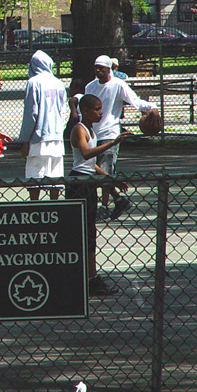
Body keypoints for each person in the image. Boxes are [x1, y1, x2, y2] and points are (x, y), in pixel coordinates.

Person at [79, 55, 159, 220]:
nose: (98, 70)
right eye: (96, 67)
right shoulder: (90, 87)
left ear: (109, 69)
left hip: (110, 134)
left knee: (105, 170)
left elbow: (135, 101)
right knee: (94, 169)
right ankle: (119, 199)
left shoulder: (118, 85)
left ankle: (104, 207)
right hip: (93, 134)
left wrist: (153, 107)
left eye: (101, 67)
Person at [68, 94, 131, 297]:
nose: (100, 112)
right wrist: (113, 143)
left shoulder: (91, 130)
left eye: (101, 109)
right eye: (96, 109)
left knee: (90, 233)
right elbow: (86, 154)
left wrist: (111, 180)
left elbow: (91, 164)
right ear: (85, 110)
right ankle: (85, 279)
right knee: (82, 232)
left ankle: (90, 278)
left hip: (88, 183)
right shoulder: (79, 129)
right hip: (78, 184)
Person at [16, 50, 67, 201]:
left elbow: (31, 113)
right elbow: (63, 111)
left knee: (34, 176)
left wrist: (25, 140)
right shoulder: (59, 83)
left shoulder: (34, 82)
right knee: (55, 176)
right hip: (56, 136)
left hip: (38, 137)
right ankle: (55, 207)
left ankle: (35, 206)